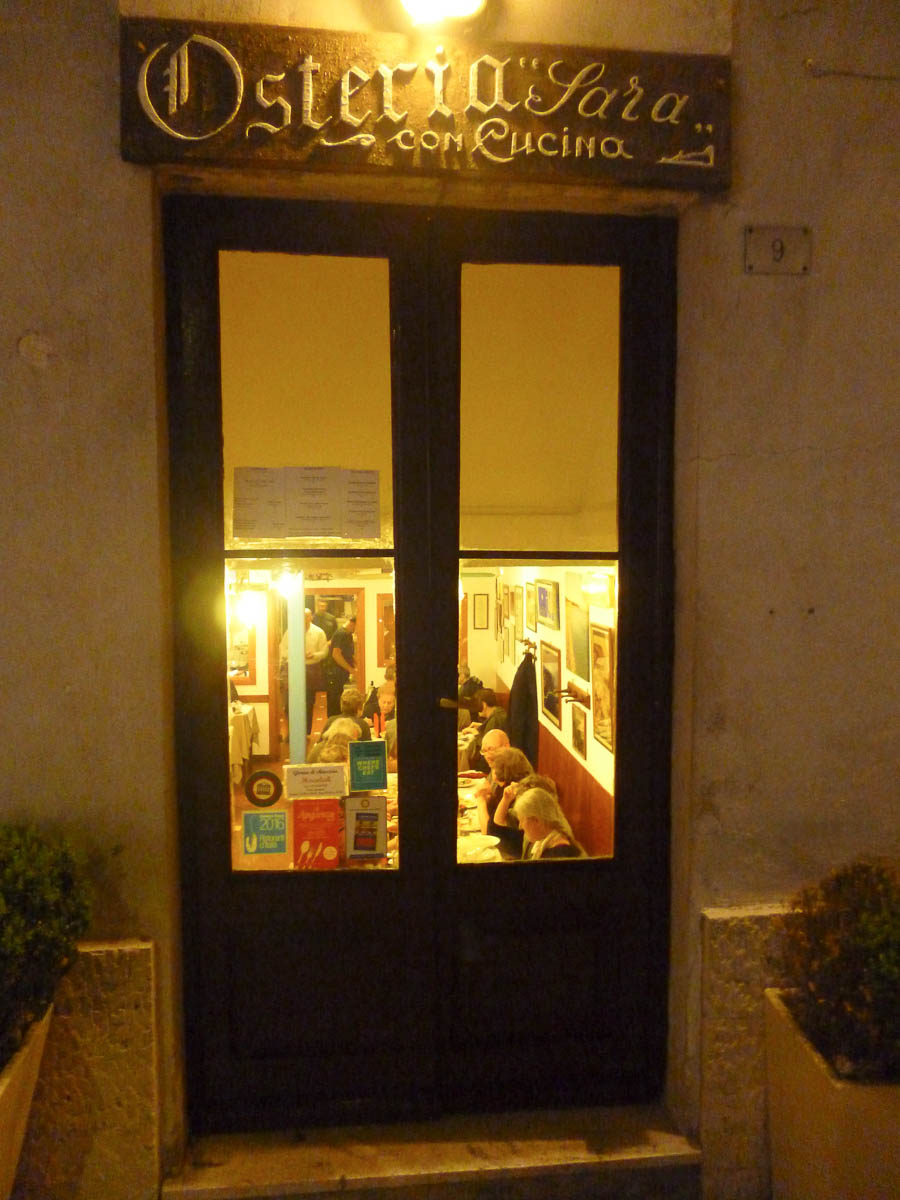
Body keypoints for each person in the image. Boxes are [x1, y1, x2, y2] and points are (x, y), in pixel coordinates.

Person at [476, 747, 532, 852]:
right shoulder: (508, 786)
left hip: (511, 853)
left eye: (493, 768)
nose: (491, 771)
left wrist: (481, 800)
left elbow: (488, 834)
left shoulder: (511, 792)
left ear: (500, 771)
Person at [514, 786, 586, 860]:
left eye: (521, 820)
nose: (520, 826)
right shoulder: (542, 845)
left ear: (537, 821)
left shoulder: (560, 854)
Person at [322, 614, 356, 716]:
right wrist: (350, 669)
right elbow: (336, 654)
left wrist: (356, 665)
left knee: (339, 700)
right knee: (334, 702)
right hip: (334, 673)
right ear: (353, 623)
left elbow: (348, 654)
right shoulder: (341, 634)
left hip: (341, 674)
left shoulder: (348, 635)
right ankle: (333, 722)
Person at [467, 688, 508, 772]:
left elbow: (487, 746)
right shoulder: (499, 712)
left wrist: (476, 733)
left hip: (490, 765)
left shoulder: (495, 719)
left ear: (484, 705)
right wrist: (481, 726)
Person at [304, 608, 329, 733]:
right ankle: (293, 731)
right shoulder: (292, 631)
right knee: (291, 702)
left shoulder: (319, 632)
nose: (305, 619)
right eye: (302, 616)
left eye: (307, 616)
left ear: (311, 617)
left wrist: (313, 655)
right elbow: (283, 648)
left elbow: (324, 651)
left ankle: (306, 731)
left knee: (309, 701)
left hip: (312, 668)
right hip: (295, 669)